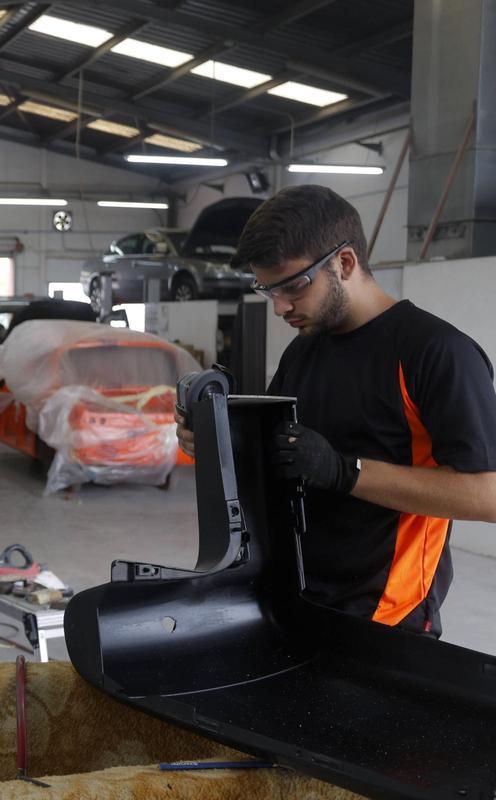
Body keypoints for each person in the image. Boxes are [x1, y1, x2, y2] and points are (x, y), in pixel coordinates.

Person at [175, 184, 496, 637]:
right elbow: (284, 454)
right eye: (267, 289)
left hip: (386, 619)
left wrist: (346, 471)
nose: (280, 306)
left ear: (344, 263)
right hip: (297, 600)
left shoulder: (437, 353)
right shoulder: (304, 350)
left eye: (292, 286)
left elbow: (487, 494)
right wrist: (219, 441)